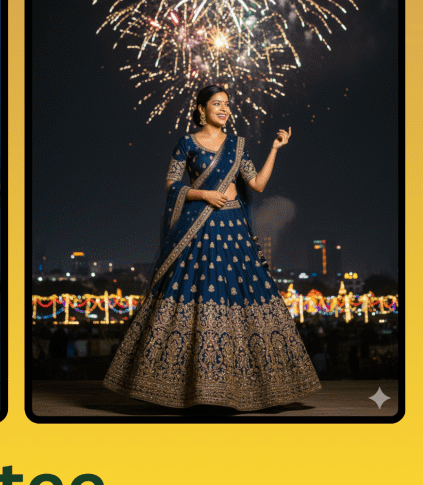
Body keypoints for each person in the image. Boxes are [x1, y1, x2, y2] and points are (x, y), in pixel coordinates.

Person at [103, 83, 317, 411]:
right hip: (197, 230)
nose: (224, 109)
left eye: (227, 104)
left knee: (242, 293)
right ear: (201, 109)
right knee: (193, 293)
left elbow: (257, 184)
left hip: (233, 232)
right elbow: (171, 184)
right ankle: (183, 388)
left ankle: (248, 386)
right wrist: (204, 195)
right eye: (217, 104)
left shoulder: (236, 145)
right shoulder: (187, 143)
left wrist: (275, 148)